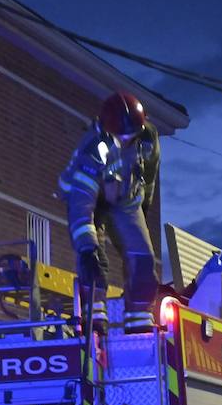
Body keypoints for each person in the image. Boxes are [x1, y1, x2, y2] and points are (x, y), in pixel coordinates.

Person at [58, 90, 161, 334]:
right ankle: (96, 317)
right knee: (94, 259)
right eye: (121, 136)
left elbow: (149, 175)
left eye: (130, 136)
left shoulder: (148, 136)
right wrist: (86, 246)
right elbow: (81, 205)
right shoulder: (94, 148)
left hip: (125, 200)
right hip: (88, 196)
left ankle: (138, 319)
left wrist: (144, 206)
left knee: (143, 258)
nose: (126, 141)